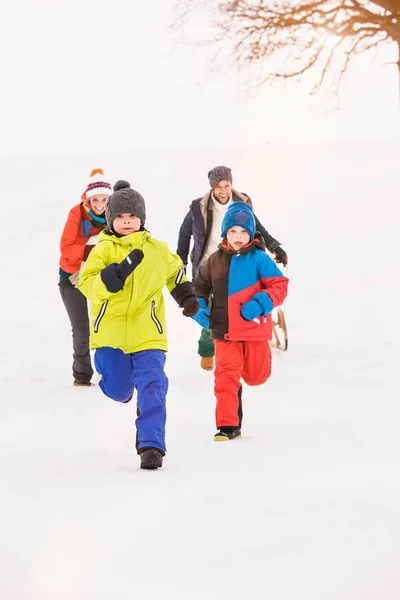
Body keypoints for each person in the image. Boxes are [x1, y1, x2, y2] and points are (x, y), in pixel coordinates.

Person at [78, 180, 199, 469]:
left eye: (132, 216)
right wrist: (112, 277)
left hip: (149, 333)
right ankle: (121, 389)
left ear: (142, 219)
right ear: (111, 220)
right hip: (111, 334)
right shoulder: (102, 250)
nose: (127, 221)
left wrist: (186, 296)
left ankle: (151, 445)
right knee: (119, 388)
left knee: (154, 384)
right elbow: (87, 285)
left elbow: (175, 274)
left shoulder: (157, 249)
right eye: (120, 217)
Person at [191, 201, 288, 441]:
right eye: (233, 231)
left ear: (251, 234)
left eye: (243, 232)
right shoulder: (214, 260)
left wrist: (260, 303)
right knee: (225, 376)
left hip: (253, 329)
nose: (238, 236)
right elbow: (199, 288)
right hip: (223, 331)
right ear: (225, 233)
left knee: (256, 376)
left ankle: (241, 382)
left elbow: (279, 285)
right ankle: (228, 426)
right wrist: (199, 309)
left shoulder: (259, 258)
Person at [176, 165, 287, 371]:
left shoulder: (242, 203)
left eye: (226, 185)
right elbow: (185, 234)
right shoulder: (198, 208)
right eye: (218, 186)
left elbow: (258, 228)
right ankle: (208, 350)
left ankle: (240, 351)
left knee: (233, 307)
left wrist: (275, 247)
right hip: (208, 263)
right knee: (209, 308)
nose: (223, 190)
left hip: (238, 260)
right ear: (211, 188)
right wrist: (180, 260)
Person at [59, 168, 112, 387]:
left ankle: (108, 373)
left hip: (101, 276)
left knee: (106, 325)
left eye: (104, 199)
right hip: (72, 276)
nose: (100, 204)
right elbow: (66, 249)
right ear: (87, 199)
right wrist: (94, 244)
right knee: (82, 329)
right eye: (95, 199)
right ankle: (81, 376)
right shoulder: (76, 213)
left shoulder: (115, 215)